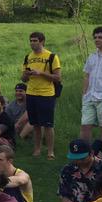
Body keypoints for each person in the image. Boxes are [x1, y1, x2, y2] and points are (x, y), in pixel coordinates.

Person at [22, 31, 62, 159]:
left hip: (46, 94)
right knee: (36, 124)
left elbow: (58, 77)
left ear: (42, 41)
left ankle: (50, 151)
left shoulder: (51, 56)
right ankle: (37, 149)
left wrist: (41, 73)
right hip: (31, 93)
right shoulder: (28, 57)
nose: (32, 43)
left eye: (35, 41)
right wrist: (26, 75)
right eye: (31, 41)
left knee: (48, 124)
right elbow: (23, 78)